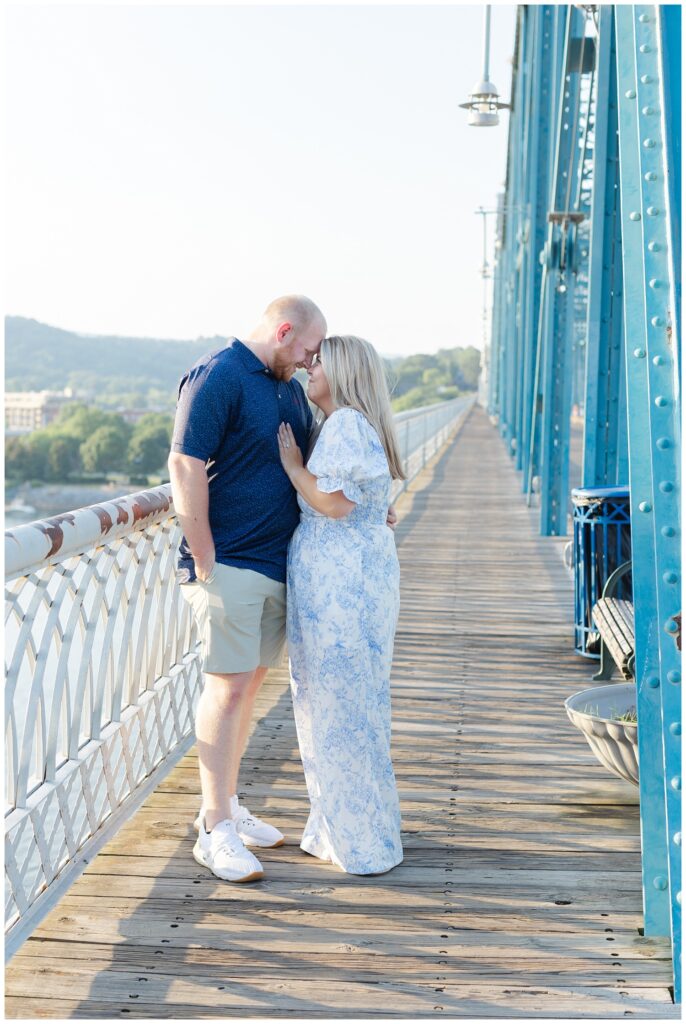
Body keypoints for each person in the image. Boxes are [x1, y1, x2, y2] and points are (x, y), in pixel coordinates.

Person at [168, 295, 327, 883]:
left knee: (249, 687)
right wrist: (204, 549)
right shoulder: (220, 375)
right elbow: (185, 461)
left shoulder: (286, 386)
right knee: (228, 689)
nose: (311, 361)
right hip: (229, 561)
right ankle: (214, 830)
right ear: (284, 331)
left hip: (276, 561)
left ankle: (229, 804)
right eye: (308, 349)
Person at [277, 335, 405, 875]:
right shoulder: (346, 424)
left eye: (319, 360)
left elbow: (333, 501)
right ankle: (347, 827)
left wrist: (292, 467)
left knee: (338, 705)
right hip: (345, 578)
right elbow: (364, 501)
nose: (309, 366)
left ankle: (359, 841)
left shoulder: (347, 423)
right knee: (345, 704)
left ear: (345, 371)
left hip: (341, 587)